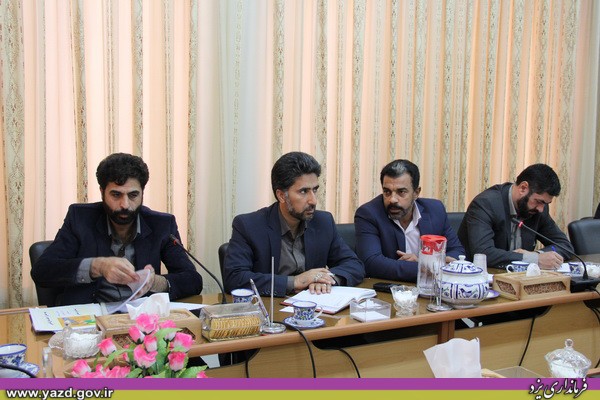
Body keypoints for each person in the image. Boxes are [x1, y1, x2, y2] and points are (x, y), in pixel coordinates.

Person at [32, 153, 202, 305]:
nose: (125, 205)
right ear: (102, 192)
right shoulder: (80, 219)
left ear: (142, 192)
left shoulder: (162, 224)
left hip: (140, 319)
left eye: (133, 195)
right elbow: (42, 271)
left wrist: (156, 282)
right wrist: (97, 266)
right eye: (116, 195)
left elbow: (193, 280)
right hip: (90, 317)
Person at [223, 151, 365, 296]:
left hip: (315, 305)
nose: (313, 200)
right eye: (303, 191)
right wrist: (295, 281)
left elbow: (354, 264)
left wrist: (327, 279)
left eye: (315, 190)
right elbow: (234, 278)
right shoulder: (249, 226)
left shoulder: (323, 222)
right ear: (281, 195)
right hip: (271, 307)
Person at [354, 159, 464, 282]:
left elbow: (457, 251)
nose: (392, 199)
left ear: (416, 192)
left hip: (430, 287)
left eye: (401, 192)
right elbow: (371, 263)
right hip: (389, 289)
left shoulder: (435, 210)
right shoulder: (369, 214)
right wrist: (426, 267)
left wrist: (422, 261)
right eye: (387, 192)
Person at [457, 163, 573, 270]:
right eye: (538, 201)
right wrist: (534, 260)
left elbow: (565, 246)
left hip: (520, 279)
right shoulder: (485, 204)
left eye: (545, 204)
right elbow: (483, 253)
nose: (541, 209)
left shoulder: (538, 210)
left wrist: (537, 255)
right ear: (523, 188)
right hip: (482, 278)